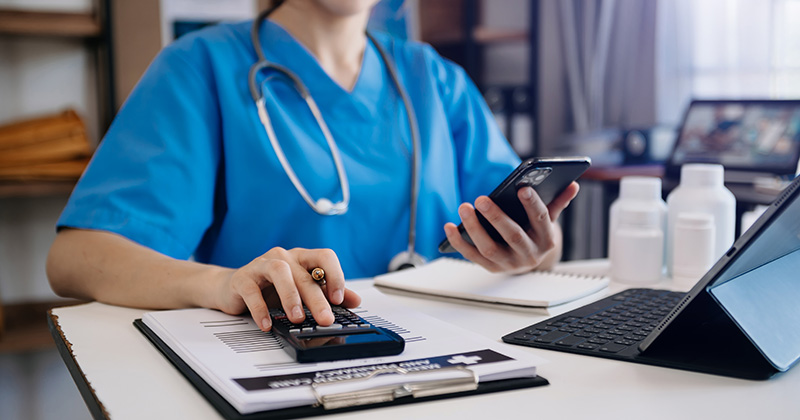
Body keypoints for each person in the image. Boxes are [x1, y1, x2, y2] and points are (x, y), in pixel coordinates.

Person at [46, 0, 579, 332]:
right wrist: (222, 283)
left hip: (442, 359)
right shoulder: (200, 66)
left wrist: (537, 250)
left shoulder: (435, 78)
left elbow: (524, 231)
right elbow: (75, 258)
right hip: (284, 362)